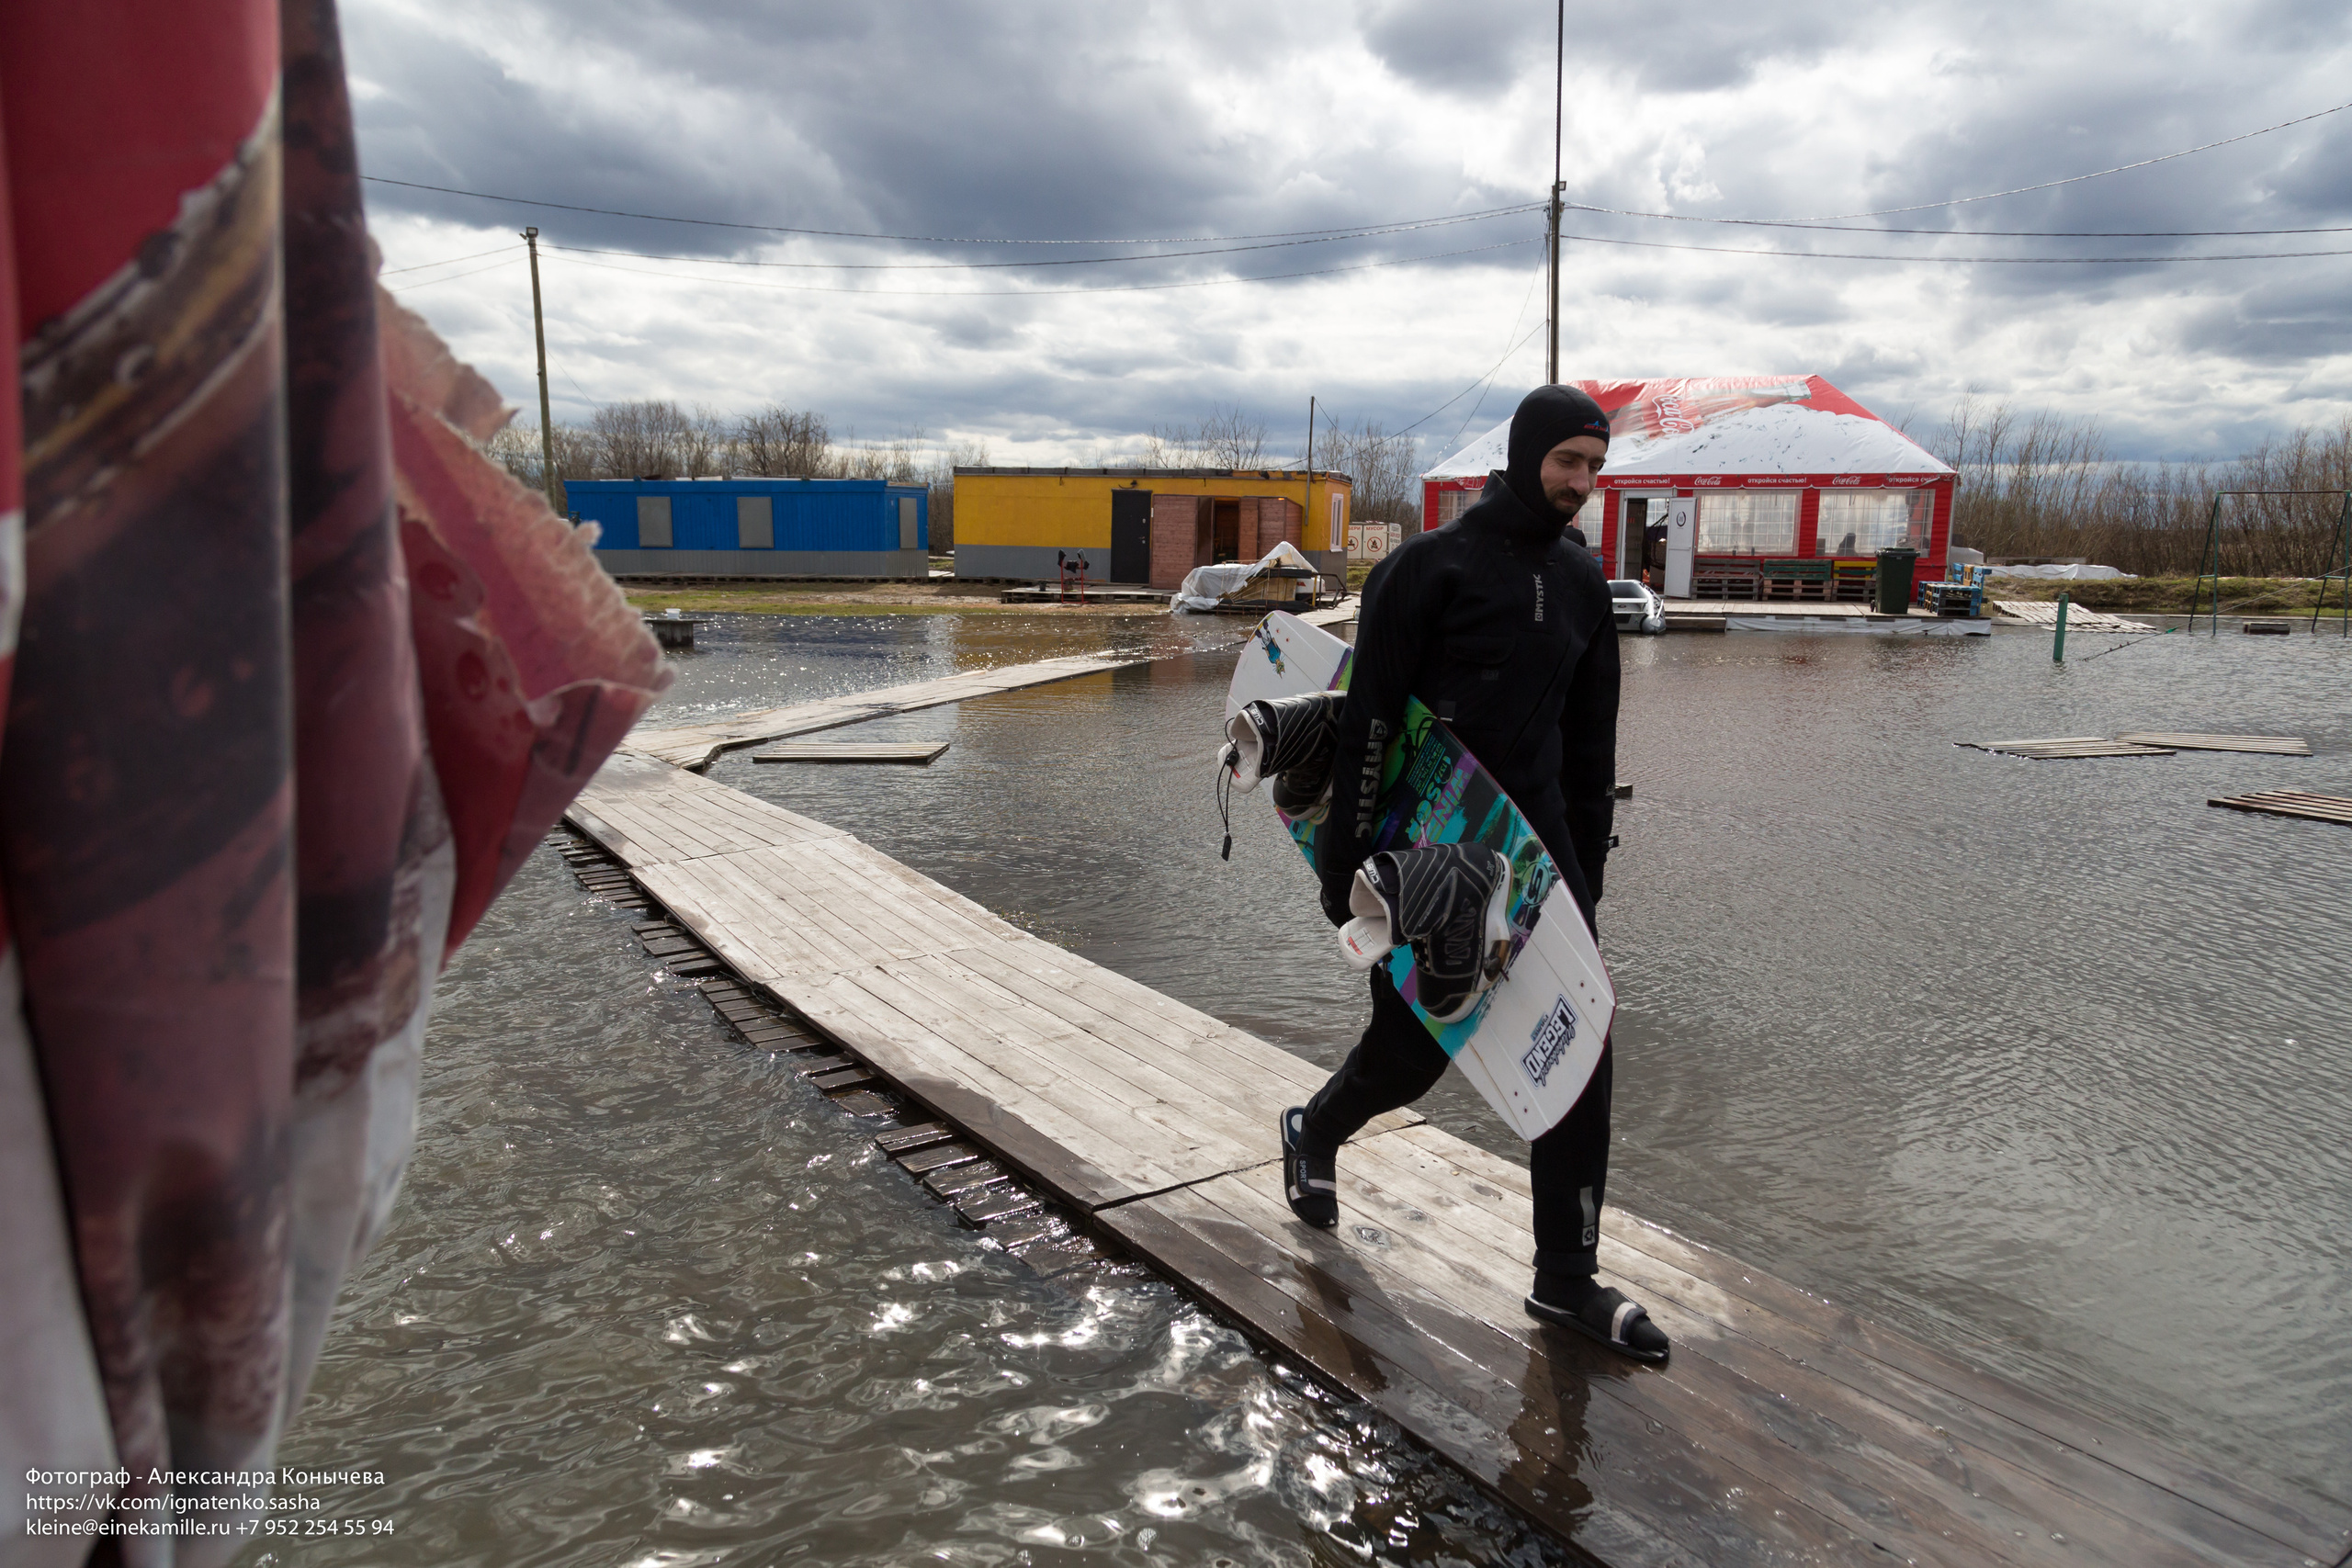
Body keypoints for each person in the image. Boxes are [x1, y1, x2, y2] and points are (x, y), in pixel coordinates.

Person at [1281, 383, 1668, 1362]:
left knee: (1578, 1051)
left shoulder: (1584, 587)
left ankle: (1565, 1281)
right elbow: (1369, 724)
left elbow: (1591, 752)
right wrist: (1347, 865)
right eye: (1568, 463)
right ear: (1528, 452)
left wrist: (1586, 888)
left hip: (1535, 854)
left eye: (1595, 468)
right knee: (1412, 1056)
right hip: (1432, 851)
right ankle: (1314, 1131)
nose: (1582, 484)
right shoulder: (1426, 569)